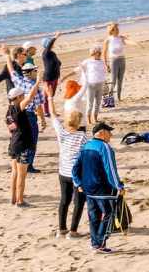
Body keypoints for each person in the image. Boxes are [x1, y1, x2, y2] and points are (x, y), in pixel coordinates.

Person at [72, 120, 124, 255]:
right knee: (108, 214)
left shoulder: (85, 146)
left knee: (94, 216)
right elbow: (110, 169)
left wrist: (78, 183)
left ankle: (95, 243)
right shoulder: (104, 147)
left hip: (88, 189)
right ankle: (100, 244)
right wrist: (119, 185)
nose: (111, 136)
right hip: (103, 189)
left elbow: (75, 168)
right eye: (109, 133)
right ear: (101, 133)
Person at [51, 107, 89, 238]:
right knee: (79, 201)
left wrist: (50, 98)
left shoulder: (62, 133)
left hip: (63, 172)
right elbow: (86, 153)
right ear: (78, 123)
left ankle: (61, 229)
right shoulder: (82, 136)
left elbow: (54, 117)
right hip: (76, 174)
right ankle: (73, 231)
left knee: (64, 200)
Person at [6, 77, 41, 207]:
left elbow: (10, 129)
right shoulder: (18, 107)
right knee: (22, 174)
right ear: (18, 97)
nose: (23, 97)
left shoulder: (8, 112)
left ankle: (13, 198)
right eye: (22, 96)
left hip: (13, 144)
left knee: (15, 173)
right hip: (22, 145)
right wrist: (37, 83)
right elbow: (30, 97)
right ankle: (20, 201)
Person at [79, 46, 107, 126]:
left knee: (98, 103)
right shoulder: (87, 61)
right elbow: (80, 68)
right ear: (93, 53)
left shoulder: (101, 62)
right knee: (90, 103)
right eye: (98, 52)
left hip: (100, 84)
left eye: (100, 52)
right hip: (90, 85)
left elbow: (103, 72)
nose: (100, 54)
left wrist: (104, 82)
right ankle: (88, 120)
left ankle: (95, 118)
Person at [105, 22, 128, 105]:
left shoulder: (121, 38)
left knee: (120, 80)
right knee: (113, 81)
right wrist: (106, 64)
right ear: (112, 31)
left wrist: (137, 44)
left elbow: (128, 41)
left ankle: (119, 98)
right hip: (113, 61)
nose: (118, 30)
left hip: (122, 60)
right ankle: (109, 101)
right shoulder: (108, 40)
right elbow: (104, 53)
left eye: (118, 29)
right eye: (116, 29)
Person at [40, 33, 63, 97]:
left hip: (55, 77)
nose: (53, 44)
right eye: (51, 43)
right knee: (47, 96)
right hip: (49, 78)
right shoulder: (45, 53)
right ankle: (46, 107)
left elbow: (58, 63)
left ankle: (50, 106)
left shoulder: (52, 53)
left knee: (52, 95)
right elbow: (50, 44)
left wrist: (58, 65)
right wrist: (56, 36)